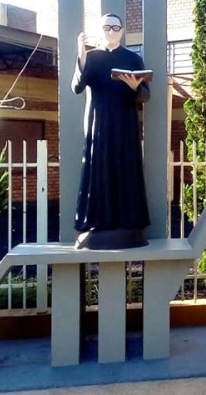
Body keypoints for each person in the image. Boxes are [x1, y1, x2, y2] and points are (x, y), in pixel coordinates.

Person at [71, 13, 151, 249]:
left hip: (125, 124)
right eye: (107, 27)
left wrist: (135, 87)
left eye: (116, 27)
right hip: (99, 123)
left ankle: (129, 222)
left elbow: (146, 96)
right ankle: (96, 223)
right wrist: (81, 55)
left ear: (122, 31)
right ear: (100, 30)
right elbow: (76, 87)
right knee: (99, 168)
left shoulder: (133, 59)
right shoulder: (91, 57)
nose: (112, 31)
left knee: (127, 169)